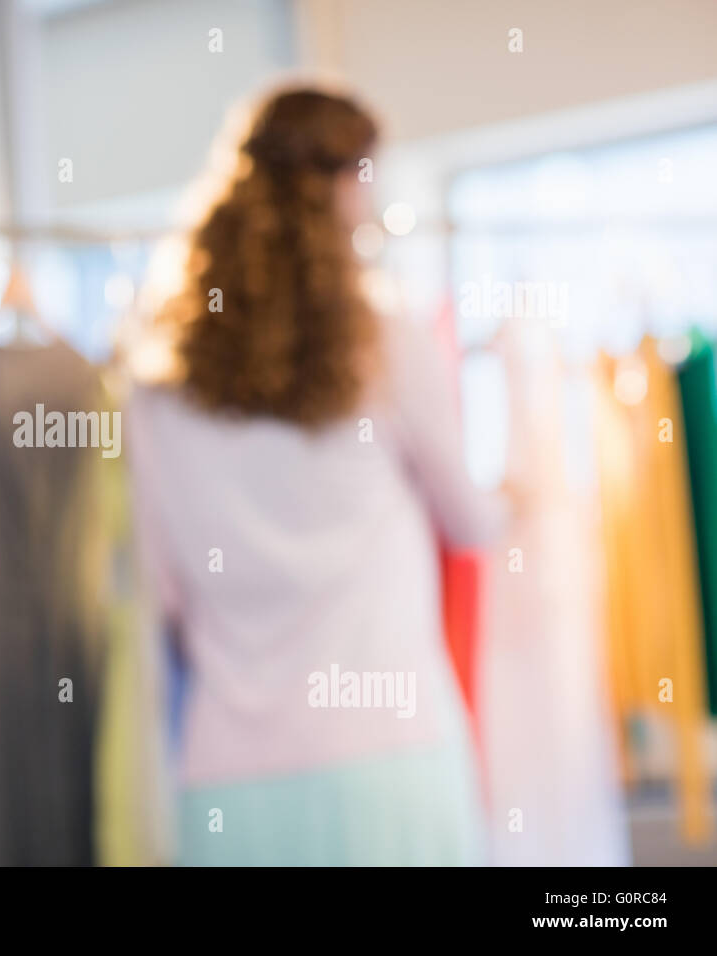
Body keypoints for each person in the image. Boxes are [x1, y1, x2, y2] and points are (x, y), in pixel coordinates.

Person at [121, 86, 507, 865]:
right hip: (386, 753)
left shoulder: (155, 377)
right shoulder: (389, 343)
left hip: (229, 775)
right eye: (366, 176)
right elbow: (470, 522)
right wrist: (518, 498)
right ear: (335, 185)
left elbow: (160, 588)